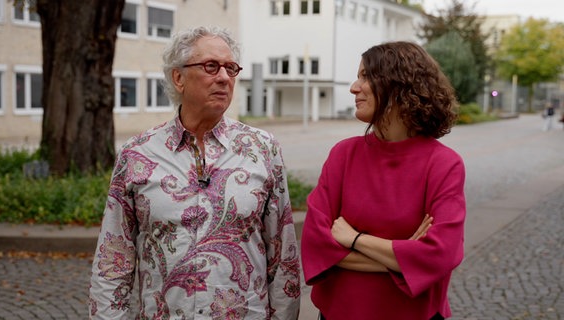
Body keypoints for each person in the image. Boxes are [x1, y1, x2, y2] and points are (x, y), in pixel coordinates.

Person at [89, 26, 301, 319]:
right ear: (178, 78)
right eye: (211, 67)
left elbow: (283, 257)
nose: (225, 78)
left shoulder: (262, 148)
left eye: (231, 68)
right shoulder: (137, 153)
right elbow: (113, 260)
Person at [301, 41, 466, 320]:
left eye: (366, 76)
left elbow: (440, 255)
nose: (354, 87)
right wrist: (404, 256)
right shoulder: (344, 154)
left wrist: (354, 239)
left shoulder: (443, 164)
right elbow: (316, 243)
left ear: (399, 85)